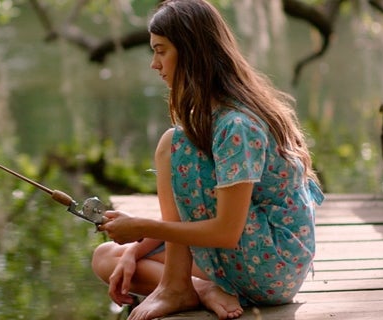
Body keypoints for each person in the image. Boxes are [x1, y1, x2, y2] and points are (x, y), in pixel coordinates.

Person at [91, 0, 325, 319]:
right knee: (108, 257)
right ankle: (199, 289)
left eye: (161, 51)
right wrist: (135, 246)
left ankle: (177, 287)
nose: (154, 64)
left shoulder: (237, 126)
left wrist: (143, 226)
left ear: (190, 52)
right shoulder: (215, 116)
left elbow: (226, 232)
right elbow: (184, 224)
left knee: (173, 143)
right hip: (249, 258)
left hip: (272, 267)